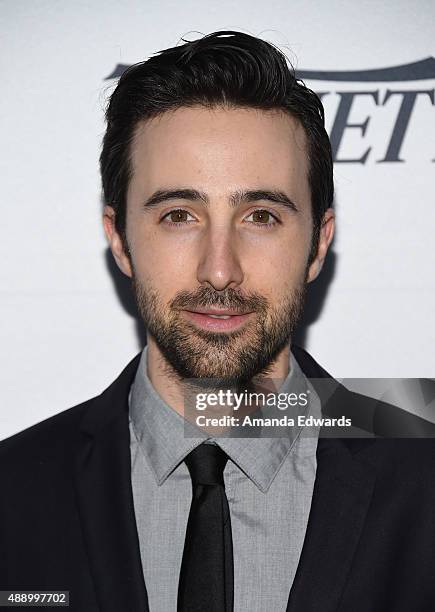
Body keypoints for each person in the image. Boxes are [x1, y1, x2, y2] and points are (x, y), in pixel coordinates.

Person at [0, 30, 434, 612]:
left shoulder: (424, 484)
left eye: (261, 215)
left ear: (318, 242)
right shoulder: (13, 491)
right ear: (120, 241)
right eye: (179, 215)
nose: (220, 270)